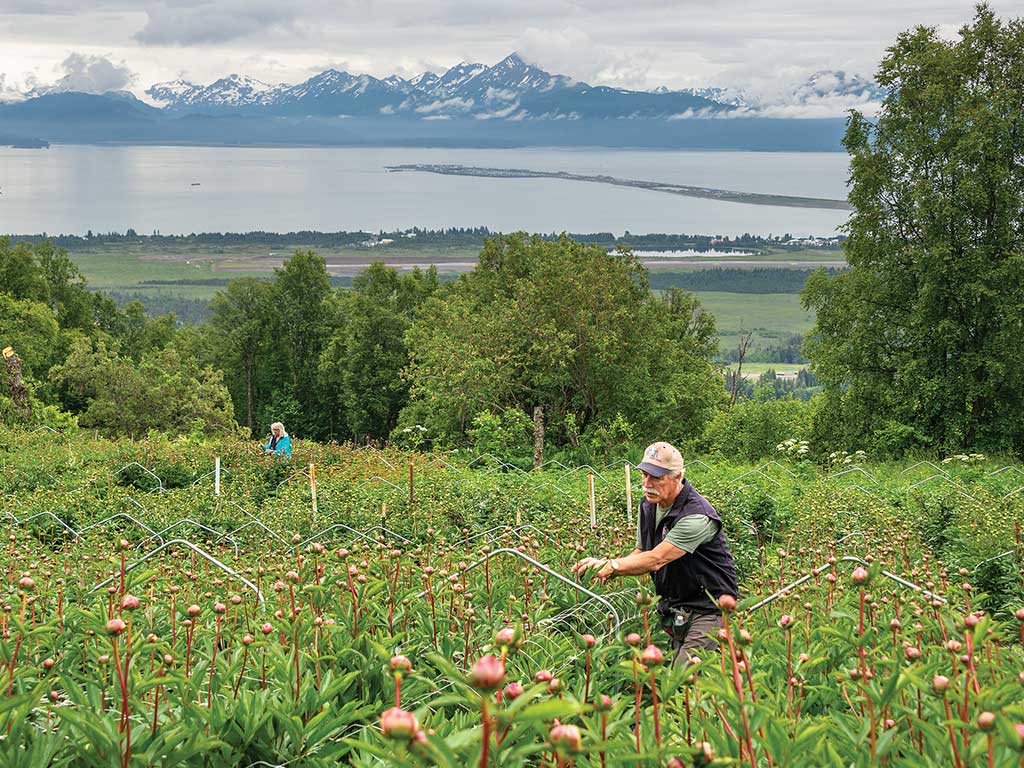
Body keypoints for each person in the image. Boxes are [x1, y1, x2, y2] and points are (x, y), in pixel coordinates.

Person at [573, 441, 738, 659]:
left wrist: (613, 564)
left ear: (677, 477)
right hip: (675, 605)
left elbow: (657, 559)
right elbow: (642, 551)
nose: (647, 483)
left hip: (708, 607)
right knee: (683, 679)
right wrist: (610, 568)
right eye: (644, 475)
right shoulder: (648, 505)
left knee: (683, 680)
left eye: (657, 477)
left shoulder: (697, 516)